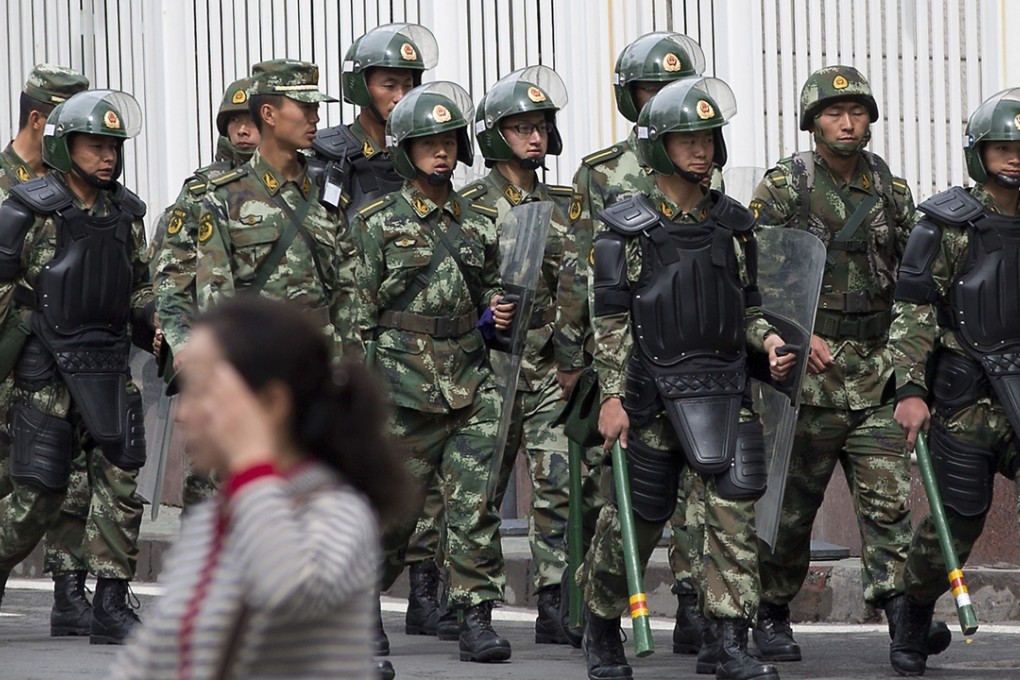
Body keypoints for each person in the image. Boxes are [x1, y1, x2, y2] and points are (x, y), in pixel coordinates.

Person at [579, 75, 790, 680]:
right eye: (684, 140)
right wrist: (614, 396)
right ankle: (601, 623)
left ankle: (730, 642)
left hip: (724, 387)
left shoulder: (733, 223)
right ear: (654, 146)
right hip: (649, 392)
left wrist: (769, 340)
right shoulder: (625, 228)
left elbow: (747, 306)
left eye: (707, 138)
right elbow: (613, 321)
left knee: (732, 517)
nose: (700, 150)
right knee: (635, 520)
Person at [747, 64, 950, 662]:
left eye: (857, 112)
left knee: (888, 507)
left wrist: (913, 365)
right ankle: (772, 612)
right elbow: (756, 274)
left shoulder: (891, 190)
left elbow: (917, 278)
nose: (847, 122)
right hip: (808, 374)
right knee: (790, 510)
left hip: (877, 369)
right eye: (834, 112)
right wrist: (791, 333)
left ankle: (901, 619)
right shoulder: (785, 185)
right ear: (813, 121)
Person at [111, 296, 410, 680]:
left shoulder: (336, 510)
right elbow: (156, 658)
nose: (184, 413)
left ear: (270, 403)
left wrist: (253, 463)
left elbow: (286, 592)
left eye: (203, 391)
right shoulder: (216, 516)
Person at [554, 31, 718, 654]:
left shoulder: (705, 162)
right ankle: (603, 612)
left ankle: (696, 605)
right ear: (631, 98)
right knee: (633, 495)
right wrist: (574, 361)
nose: (663, 101)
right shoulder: (600, 173)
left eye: (675, 90)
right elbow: (580, 273)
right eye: (651, 90)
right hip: (627, 353)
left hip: (696, 353)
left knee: (700, 492)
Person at [352, 81, 515, 665]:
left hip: (470, 379)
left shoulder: (480, 218)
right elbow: (357, 315)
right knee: (394, 514)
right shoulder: (374, 221)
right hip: (400, 387)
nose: (441, 152)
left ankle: (475, 617)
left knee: (475, 507)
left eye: (449, 141)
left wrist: (497, 308)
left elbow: (493, 284)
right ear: (404, 150)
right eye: (428, 143)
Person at [0, 89, 154, 645]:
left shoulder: (128, 214)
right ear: (66, 148)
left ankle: (111, 603)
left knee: (119, 480)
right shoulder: (26, 210)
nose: (108, 156)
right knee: (38, 494)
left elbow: (140, 286)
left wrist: (157, 319)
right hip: (45, 369)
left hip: (109, 363)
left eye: (113, 146)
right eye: (95, 146)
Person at [888, 87, 1020, 677]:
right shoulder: (947, 225)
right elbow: (914, 311)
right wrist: (910, 390)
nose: (1014, 158)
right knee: (960, 515)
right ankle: (914, 616)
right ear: (979, 154)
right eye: (1001, 148)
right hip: (967, 398)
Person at [458, 65, 575, 644]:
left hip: (550, 364)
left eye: (540, 127)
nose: (534, 138)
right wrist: (483, 317)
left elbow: (578, 285)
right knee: (478, 491)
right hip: (489, 366)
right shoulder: (468, 205)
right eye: (520, 128)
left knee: (559, 486)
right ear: (493, 136)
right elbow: (453, 284)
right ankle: (473, 606)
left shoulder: (566, 204)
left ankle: (556, 601)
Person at [0, 64, 94, 638]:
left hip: (59, 353)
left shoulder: (73, 186)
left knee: (67, 467)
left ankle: (69, 591)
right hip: (6, 353)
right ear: (40, 120)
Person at [190, 59, 362, 361]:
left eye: (316, 109)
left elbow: (346, 293)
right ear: (268, 114)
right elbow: (215, 298)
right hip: (259, 362)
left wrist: (351, 370)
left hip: (322, 364)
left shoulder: (326, 194)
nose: (316, 118)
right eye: (305, 108)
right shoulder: (225, 199)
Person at [151, 75, 260, 510]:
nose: (244, 130)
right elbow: (169, 266)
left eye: (251, 120)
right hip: (213, 346)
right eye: (235, 121)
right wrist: (176, 335)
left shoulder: (298, 184)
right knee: (210, 471)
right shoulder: (201, 190)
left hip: (269, 348)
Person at [313, 22, 438, 216]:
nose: (401, 96)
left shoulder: (423, 154)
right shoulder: (329, 156)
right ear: (360, 88)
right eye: (389, 86)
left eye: (408, 86)